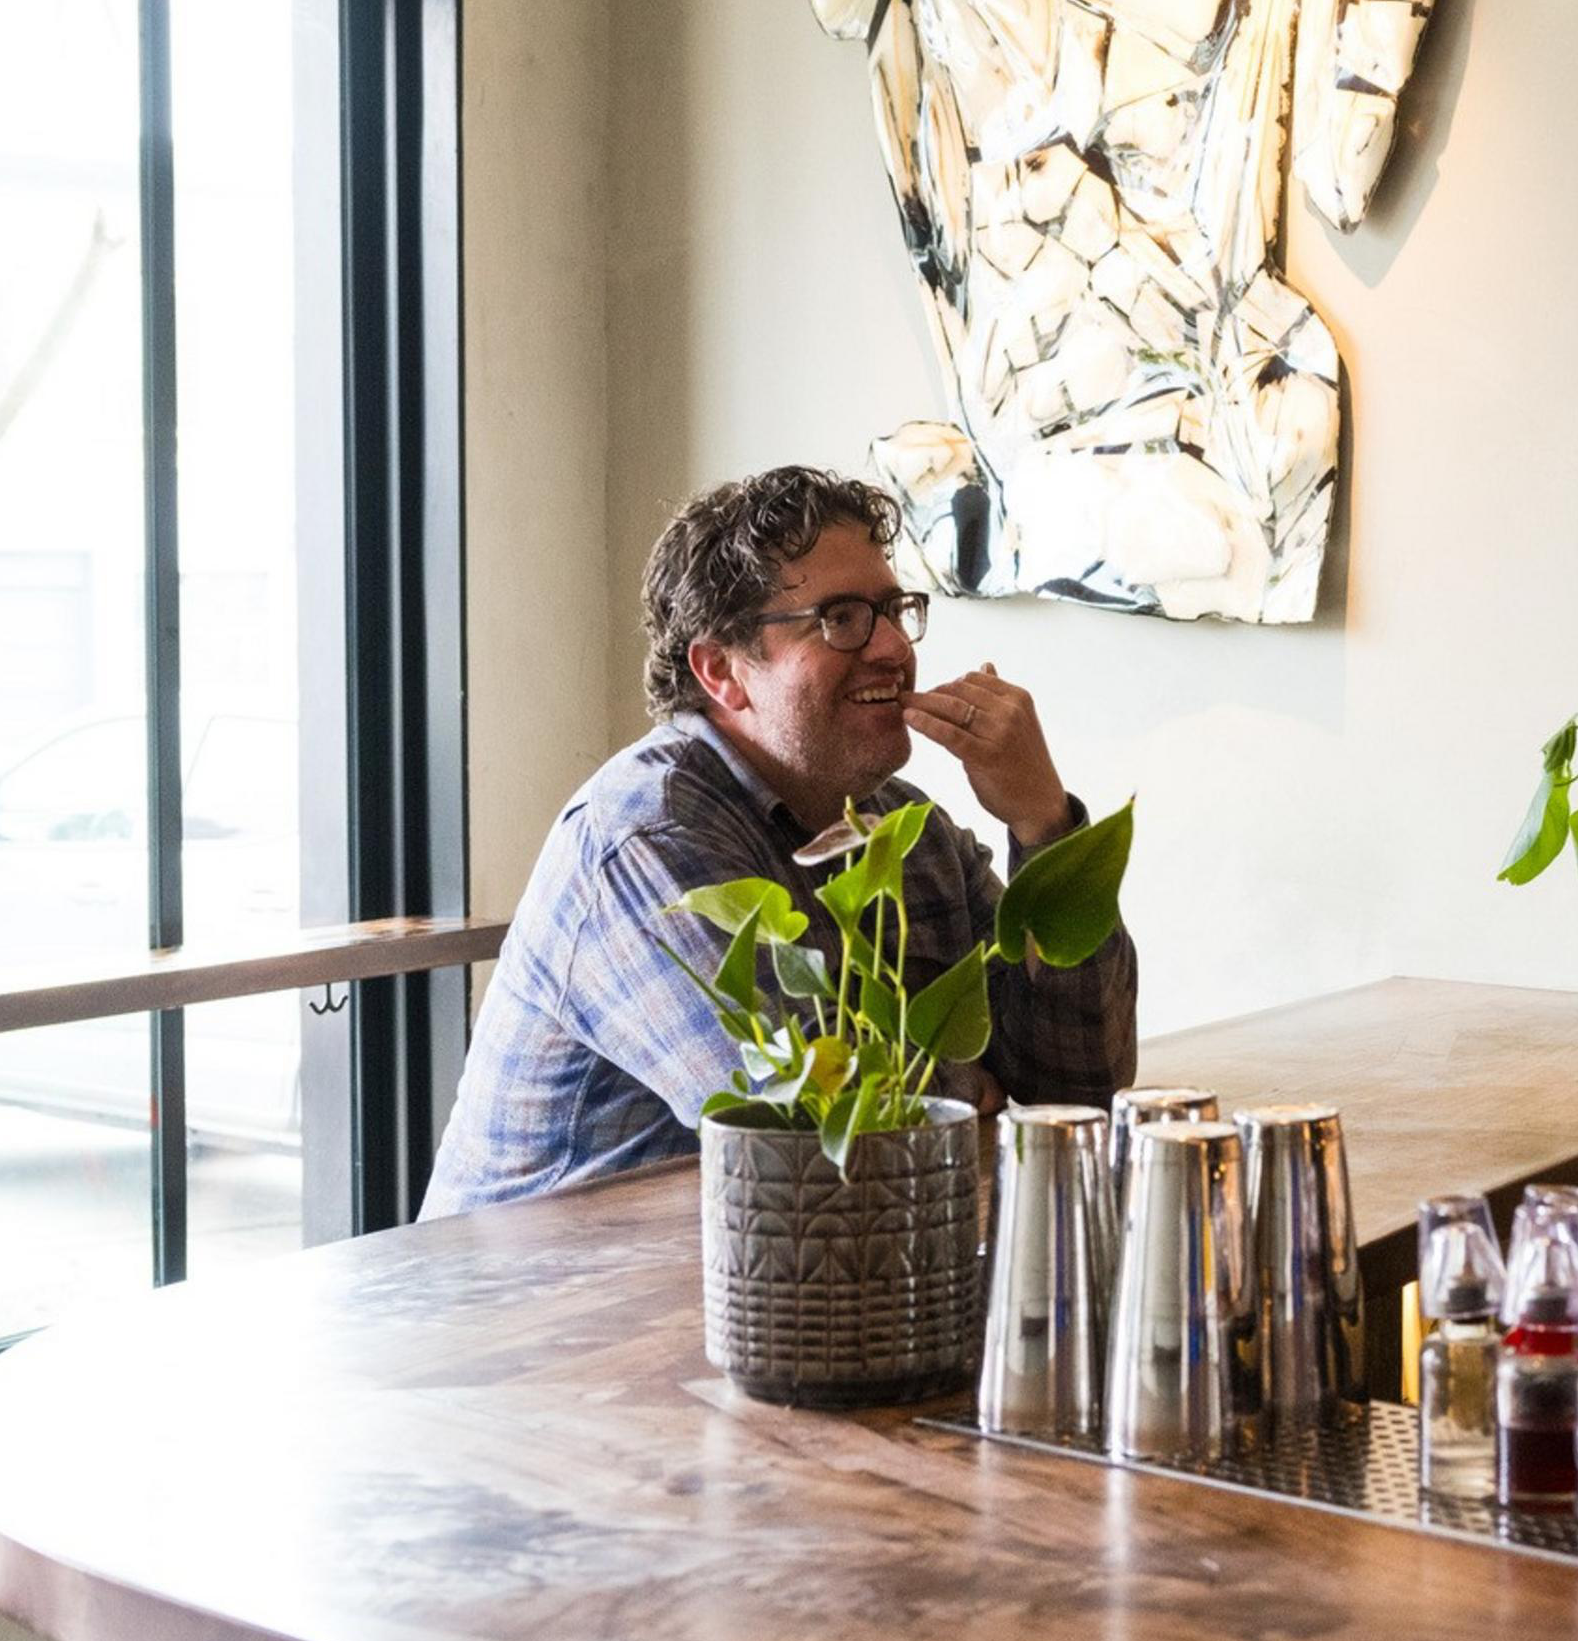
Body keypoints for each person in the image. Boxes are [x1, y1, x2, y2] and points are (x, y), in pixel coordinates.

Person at [421, 466, 1137, 1213]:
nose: (893, 645)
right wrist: (966, 1086)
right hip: (538, 1311)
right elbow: (809, 1130)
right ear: (722, 670)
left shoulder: (905, 829)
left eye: (894, 609)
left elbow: (1082, 1087)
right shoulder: (644, 835)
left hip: (775, 1281)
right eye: (842, 618)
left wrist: (1043, 823)